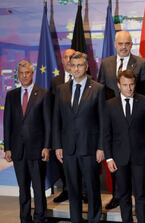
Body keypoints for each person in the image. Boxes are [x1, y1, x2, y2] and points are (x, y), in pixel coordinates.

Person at [98, 30, 145, 210]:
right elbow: (101, 92)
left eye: (127, 44)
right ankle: (116, 196)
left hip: (134, 119)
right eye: (120, 44)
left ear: (131, 44)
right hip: (113, 121)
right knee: (117, 165)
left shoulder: (141, 63)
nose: (123, 47)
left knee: (138, 186)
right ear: (115, 44)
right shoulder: (106, 63)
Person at [53, 52, 105, 223]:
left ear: (86, 66)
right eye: (73, 65)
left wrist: (101, 147)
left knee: (92, 188)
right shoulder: (61, 89)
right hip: (68, 148)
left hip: (90, 148)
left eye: (80, 65)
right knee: (73, 189)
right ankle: (76, 219)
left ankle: (94, 219)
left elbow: (103, 121)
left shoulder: (97, 88)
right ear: (69, 67)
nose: (76, 69)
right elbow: (57, 120)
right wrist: (58, 146)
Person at [104, 70, 145, 223]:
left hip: (141, 156)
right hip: (119, 157)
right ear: (119, 85)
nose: (129, 88)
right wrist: (108, 158)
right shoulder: (109, 105)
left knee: (140, 194)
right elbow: (106, 134)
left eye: (132, 84)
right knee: (123, 194)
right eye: (125, 85)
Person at [4, 60, 51, 223]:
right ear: (18, 74)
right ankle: (25, 219)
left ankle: (40, 218)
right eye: (21, 73)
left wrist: (46, 146)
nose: (24, 76)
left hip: (37, 150)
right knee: (23, 189)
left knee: (38, 188)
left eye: (28, 73)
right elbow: (7, 122)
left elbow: (47, 123)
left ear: (32, 73)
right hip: (17, 150)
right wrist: (7, 147)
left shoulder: (43, 93)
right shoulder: (11, 95)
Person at [51, 48, 75, 203]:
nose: (68, 60)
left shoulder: (88, 80)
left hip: (81, 130)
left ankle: (84, 191)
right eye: (65, 57)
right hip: (63, 130)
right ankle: (66, 189)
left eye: (71, 57)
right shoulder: (56, 81)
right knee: (63, 162)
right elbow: (53, 109)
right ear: (62, 60)